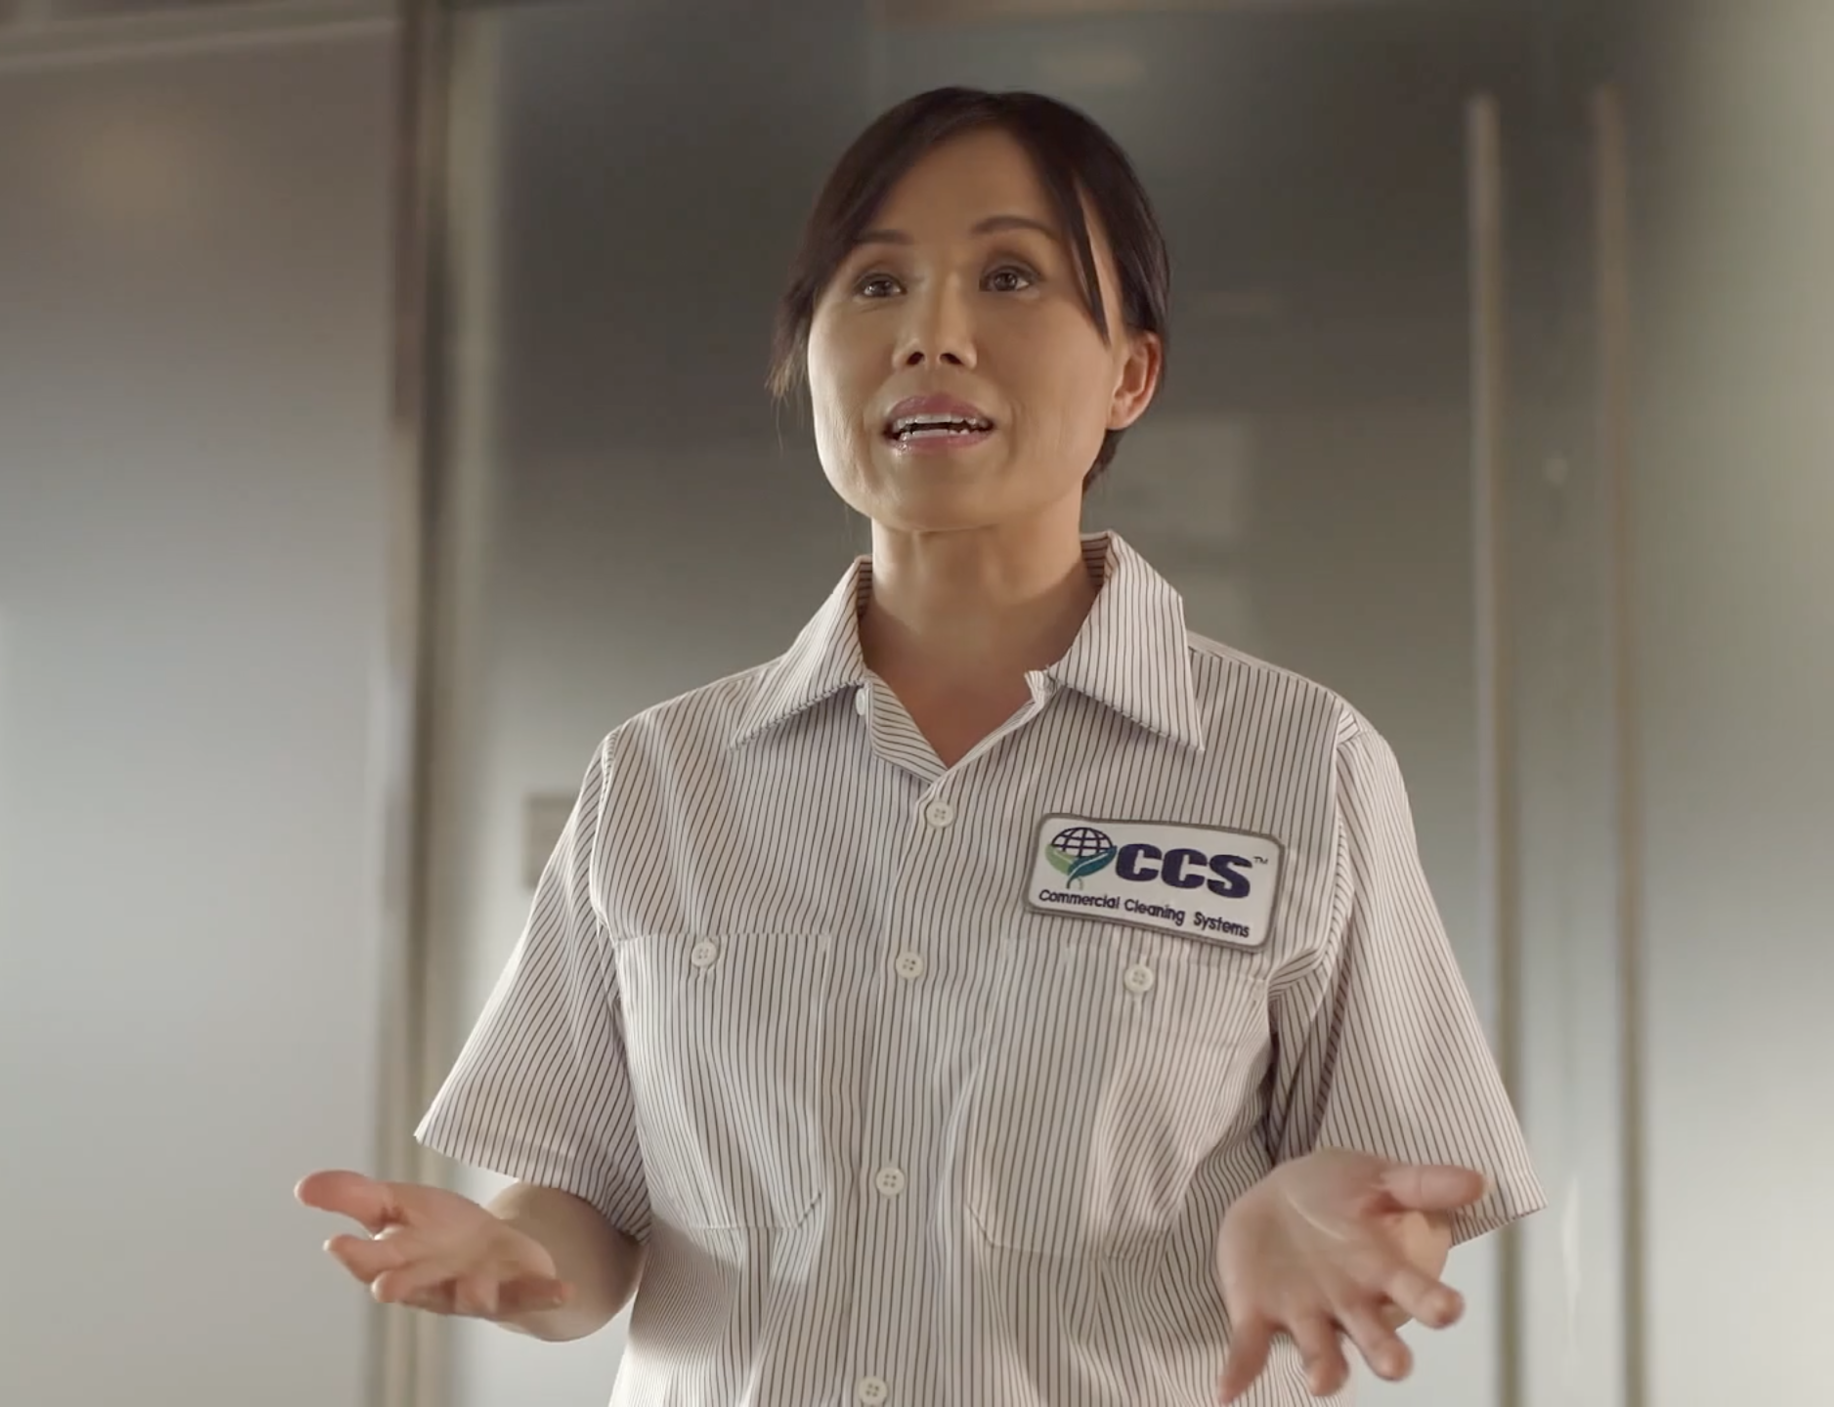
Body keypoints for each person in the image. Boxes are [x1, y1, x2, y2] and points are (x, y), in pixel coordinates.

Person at [298, 87, 1542, 1406]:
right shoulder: (661, 778)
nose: (931, 334)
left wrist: (1331, 1222)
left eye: (1010, 277)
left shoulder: (1299, 762)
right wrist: (519, 1256)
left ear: (1132, 372)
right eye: (876, 284)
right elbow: (582, 1207)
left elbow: (1400, 1185)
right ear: (808, 361)